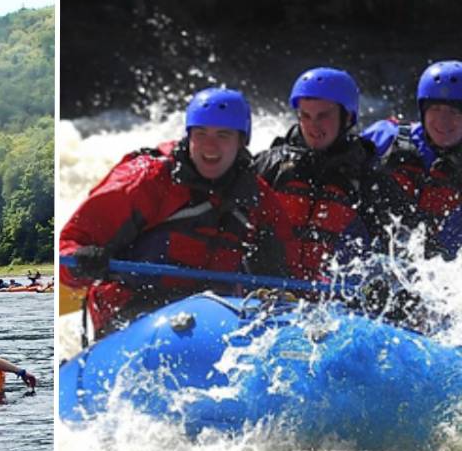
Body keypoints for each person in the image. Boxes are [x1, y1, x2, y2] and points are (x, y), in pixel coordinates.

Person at [58, 87, 295, 337]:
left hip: (215, 317)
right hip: (133, 313)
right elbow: (69, 244)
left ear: (241, 141)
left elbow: (285, 272)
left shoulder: (257, 197)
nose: (209, 146)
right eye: (200, 134)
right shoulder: (144, 180)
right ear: (189, 135)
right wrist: (81, 262)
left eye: (223, 135)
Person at [253, 68, 413, 280]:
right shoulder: (269, 165)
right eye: (305, 116)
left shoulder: (370, 178)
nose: (313, 126)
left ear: (347, 118)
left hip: (335, 304)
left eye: (323, 116)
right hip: (262, 295)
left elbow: (405, 252)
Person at [362, 61, 462, 260]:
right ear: (422, 110)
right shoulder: (385, 138)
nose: (443, 121)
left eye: (454, 112)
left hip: (445, 277)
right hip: (377, 263)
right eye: (436, 109)